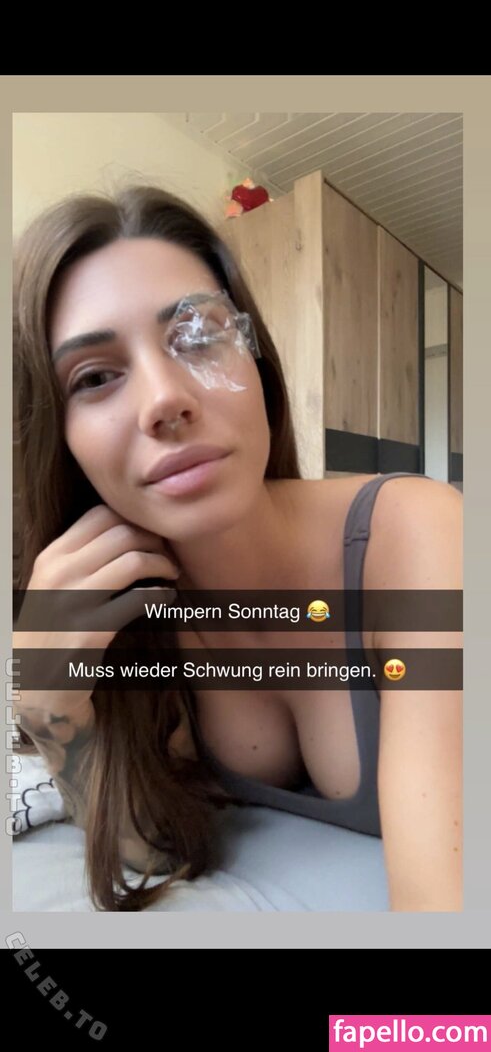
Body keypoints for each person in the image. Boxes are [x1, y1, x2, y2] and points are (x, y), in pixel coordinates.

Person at [13, 183, 463, 913]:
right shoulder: (135, 624)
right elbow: (147, 857)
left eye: (198, 336)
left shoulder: (421, 534)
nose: (164, 399)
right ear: (60, 444)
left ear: (258, 365)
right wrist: (47, 703)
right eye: (94, 377)